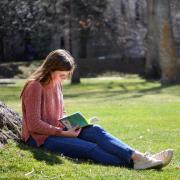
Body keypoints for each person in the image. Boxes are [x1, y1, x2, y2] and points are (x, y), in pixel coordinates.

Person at [20, 49, 173, 170]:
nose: (64, 79)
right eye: (61, 75)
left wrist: (74, 124)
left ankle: (139, 157)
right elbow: (34, 124)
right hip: (40, 139)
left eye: (66, 75)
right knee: (91, 148)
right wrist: (63, 133)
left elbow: (60, 112)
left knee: (95, 130)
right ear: (50, 69)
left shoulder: (57, 84)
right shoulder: (35, 86)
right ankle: (137, 164)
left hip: (60, 131)